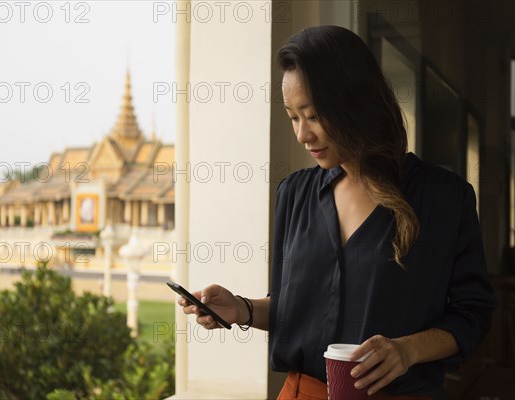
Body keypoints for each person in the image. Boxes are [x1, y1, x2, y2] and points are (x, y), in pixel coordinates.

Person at [178, 25, 498, 399]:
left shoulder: (442, 197)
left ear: (356, 104)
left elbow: (472, 314)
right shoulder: (294, 194)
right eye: (293, 117)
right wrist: (242, 309)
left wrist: (407, 350)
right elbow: (296, 306)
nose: (302, 135)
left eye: (313, 116)